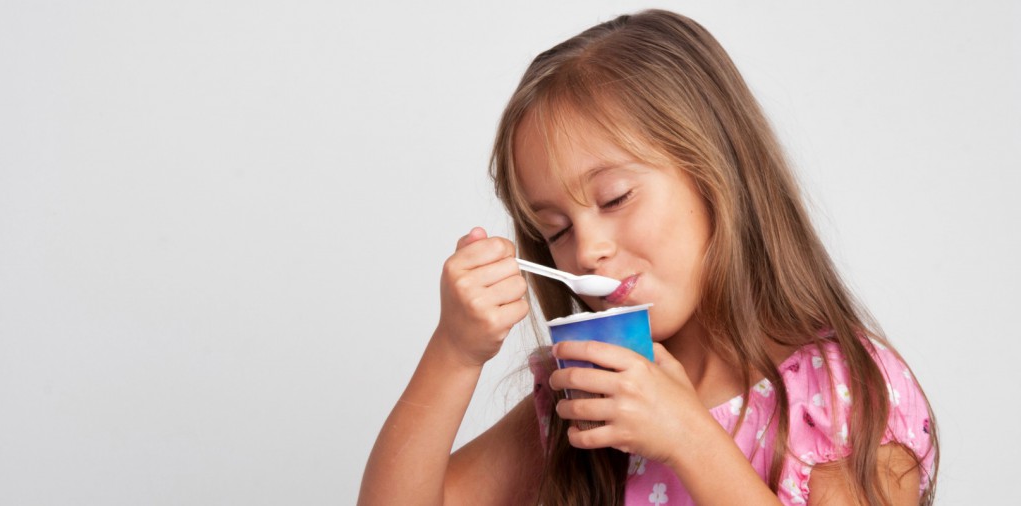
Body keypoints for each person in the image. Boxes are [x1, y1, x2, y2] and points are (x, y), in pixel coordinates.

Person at [359, 9, 938, 505]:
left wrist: (688, 438)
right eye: (554, 229)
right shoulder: (584, 396)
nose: (587, 249)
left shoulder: (838, 393)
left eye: (615, 198)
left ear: (717, 173)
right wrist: (455, 353)